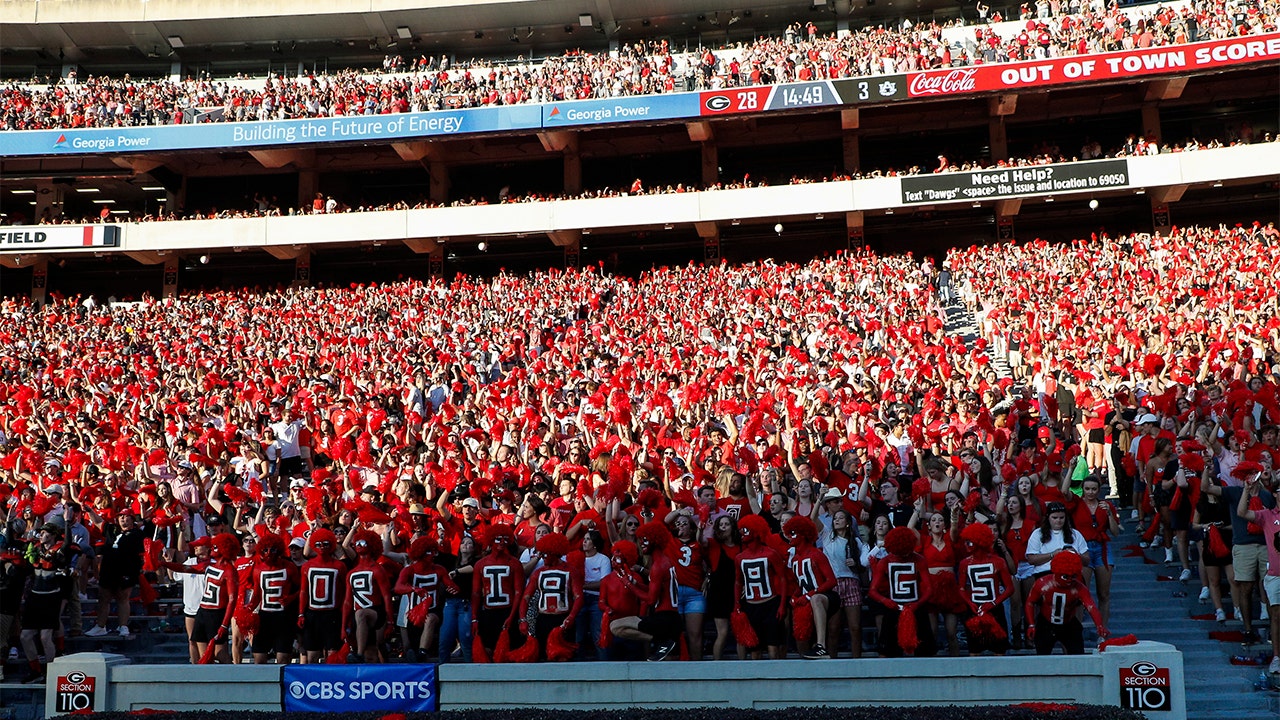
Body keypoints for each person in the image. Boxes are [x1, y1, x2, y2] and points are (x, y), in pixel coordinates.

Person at [609, 521, 682, 661]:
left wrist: (628, 584)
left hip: (664, 619)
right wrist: (633, 582)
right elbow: (656, 590)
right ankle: (663, 641)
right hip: (670, 617)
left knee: (615, 626)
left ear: (654, 540)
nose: (641, 543)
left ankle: (662, 640)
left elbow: (650, 599)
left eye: (645, 540)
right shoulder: (665, 561)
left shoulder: (658, 566)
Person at [1234, 469, 1280, 674]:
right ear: (1275, 494)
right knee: (1276, 615)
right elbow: (1242, 513)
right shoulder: (1267, 515)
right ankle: (1277, 658)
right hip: (1275, 575)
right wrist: (1246, 490)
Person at [1025, 550, 1108, 655]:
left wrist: (1099, 625)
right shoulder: (1042, 584)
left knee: (1077, 655)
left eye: (1073, 576)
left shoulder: (1079, 587)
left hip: (1069, 624)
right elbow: (1030, 602)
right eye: (1065, 576)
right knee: (1042, 657)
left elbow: (1091, 606)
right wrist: (1031, 624)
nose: (1069, 580)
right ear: (1057, 571)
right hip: (1046, 624)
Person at [516, 531, 583, 660]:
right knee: (543, 657)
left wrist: (571, 617)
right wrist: (523, 619)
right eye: (541, 554)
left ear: (555, 552)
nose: (543, 557)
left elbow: (578, 597)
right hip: (543, 620)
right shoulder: (538, 573)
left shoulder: (570, 571)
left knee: (564, 657)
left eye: (545, 554)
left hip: (563, 620)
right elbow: (526, 598)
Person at [869, 526, 934, 657]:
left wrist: (918, 604)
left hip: (916, 608)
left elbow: (929, 588)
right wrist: (885, 601)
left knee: (924, 650)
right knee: (887, 651)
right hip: (893, 607)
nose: (904, 556)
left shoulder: (919, 560)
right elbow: (872, 591)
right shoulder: (884, 562)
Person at [19, 524, 72, 682]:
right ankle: (35, 670)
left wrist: (67, 522)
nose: (41, 535)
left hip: (51, 597)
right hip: (35, 596)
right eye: (41, 532)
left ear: (53, 535)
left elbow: (67, 544)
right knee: (25, 636)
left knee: (45, 637)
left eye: (45, 533)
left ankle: (51, 672)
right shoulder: (34, 548)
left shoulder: (59, 550)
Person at [394, 536, 459, 662]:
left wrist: (453, 587)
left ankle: (423, 652)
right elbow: (398, 587)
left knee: (430, 619)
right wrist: (413, 589)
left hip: (432, 609)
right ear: (421, 553)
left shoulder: (439, 569)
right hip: (413, 613)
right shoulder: (409, 570)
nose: (434, 555)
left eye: (434, 551)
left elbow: (451, 585)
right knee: (409, 647)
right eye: (430, 552)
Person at [85, 508, 147, 637]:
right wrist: (89, 510)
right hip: (108, 569)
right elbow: (98, 521)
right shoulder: (112, 530)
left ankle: (123, 626)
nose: (123, 519)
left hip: (126, 570)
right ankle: (100, 626)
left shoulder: (137, 534)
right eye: (121, 517)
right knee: (103, 597)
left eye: (126, 516)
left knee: (123, 597)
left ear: (132, 519)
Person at [734, 515, 788, 659]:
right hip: (751, 606)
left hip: (771, 604)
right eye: (741, 530)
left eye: (745, 530)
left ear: (756, 531)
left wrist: (782, 605)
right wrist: (737, 605)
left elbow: (783, 579)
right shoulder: (740, 557)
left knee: (773, 647)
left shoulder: (771, 554)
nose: (742, 533)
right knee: (754, 648)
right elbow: (738, 582)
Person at [783, 515, 836, 659]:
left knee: (816, 599)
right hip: (806, 598)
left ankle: (821, 646)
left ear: (804, 534)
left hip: (824, 597)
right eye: (789, 533)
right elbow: (800, 584)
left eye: (793, 533)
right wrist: (795, 596)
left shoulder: (817, 555)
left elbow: (832, 581)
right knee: (800, 632)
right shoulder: (794, 559)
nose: (790, 536)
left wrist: (810, 594)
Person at [958, 523, 1014, 655]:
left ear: (978, 541)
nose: (966, 545)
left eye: (969, 542)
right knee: (974, 650)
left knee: (999, 650)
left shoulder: (998, 561)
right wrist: (970, 603)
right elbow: (961, 588)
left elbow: (1010, 588)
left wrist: (993, 603)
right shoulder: (964, 563)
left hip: (995, 609)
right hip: (974, 610)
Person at [245, 533, 300, 664]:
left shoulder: (289, 567)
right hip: (264, 617)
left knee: (283, 659)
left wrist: (291, 598)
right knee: (259, 658)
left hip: (284, 617)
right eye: (265, 549)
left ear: (279, 550)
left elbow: (303, 589)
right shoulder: (258, 569)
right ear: (261, 550)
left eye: (273, 549)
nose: (269, 553)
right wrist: (247, 611)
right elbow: (257, 594)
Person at [471, 524, 524, 660]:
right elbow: (476, 593)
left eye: (505, 539)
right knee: (487, 651)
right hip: (488, 613)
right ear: (490, 540)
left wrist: (512, 616)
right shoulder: (480, 564)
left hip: (508, 612)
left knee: (509, 651)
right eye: (498, 539)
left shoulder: (514, 563)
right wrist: (474, 617)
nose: (502, 542)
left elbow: (519, 592)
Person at [343, 530, 394, 663]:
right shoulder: (351, 573)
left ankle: (358, 655)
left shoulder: (378, 570)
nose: (359, 545)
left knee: (379, 646)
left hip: (376, 612)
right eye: (357, 543)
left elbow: (387, 596)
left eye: (363, 542)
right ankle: (363, 659)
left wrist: (389, 621)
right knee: (370, 654)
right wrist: (344, 625)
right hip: (358, 617)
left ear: (371, 545)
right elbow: (348, 601)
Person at [299, 528, 347, 663]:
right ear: (314, 545)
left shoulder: (340, 566)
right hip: (312, 614)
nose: (322, 547)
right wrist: (301, 613)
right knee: (312, 655)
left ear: (331, 545)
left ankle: (332, 682)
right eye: (319, 544)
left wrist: (344, 618)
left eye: (326, 544)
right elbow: (303, 591)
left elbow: (345, 593)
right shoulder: (307, 566)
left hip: (332, 615)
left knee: (333, 655)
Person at [1024, 501, 1088, 576]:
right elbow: (1031, 559)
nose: (1058, 521)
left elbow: (1087, 561)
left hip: (1071, 574)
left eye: (1061, 518)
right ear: (1048, 517)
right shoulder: (1037, 533)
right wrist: (1052, 555)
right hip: (1045, 573)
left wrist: (1075, 554)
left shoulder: (1075, 534)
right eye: (1054, 518)